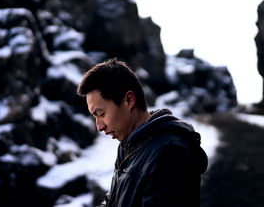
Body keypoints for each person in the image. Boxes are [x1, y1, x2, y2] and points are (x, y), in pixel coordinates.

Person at [77, 58, 208, 207]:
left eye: (101, 114)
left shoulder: (169, 152)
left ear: (129, 100)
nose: (99, 126)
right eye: (94, 117)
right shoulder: (130, 147)